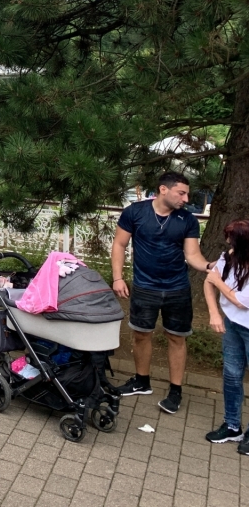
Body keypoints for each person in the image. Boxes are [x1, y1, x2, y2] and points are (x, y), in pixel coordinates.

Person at [111, 171, 214, 413]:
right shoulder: (135, 212)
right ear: (163, 190)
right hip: (144, 287)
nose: (186, 198)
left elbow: (192, 256)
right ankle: (141, 381)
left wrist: (210, 266)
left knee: (177, 338)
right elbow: (119, 244)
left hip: (177, 288)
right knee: (141, 335)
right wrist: (117, 278)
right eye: (182, 193)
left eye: (187, 193)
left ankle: (175, 391)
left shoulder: (187, 220)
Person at [204, 220, 249, 451]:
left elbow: (242, 302)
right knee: (232, 376)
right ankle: (232, 425)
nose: (227, 242)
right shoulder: (229, 256)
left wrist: (218, 281)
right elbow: (208, 282)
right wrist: (214, 313)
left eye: (231, 238)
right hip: (233, 325)